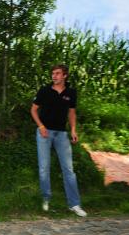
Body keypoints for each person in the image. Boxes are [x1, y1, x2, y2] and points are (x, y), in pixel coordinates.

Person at [30, 64, 87, 217]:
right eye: (53, 73)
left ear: (64, 76)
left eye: (57, 73)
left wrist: (73, 130)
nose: (54, 76)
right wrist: (41, 126)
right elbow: (33, 110)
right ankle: (46, 199)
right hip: (44, 133)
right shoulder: (44, 91)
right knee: (44, 168)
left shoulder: (71, 93)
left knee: (69, 170)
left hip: (62, 134)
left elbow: (72, 113)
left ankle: (74, 204)